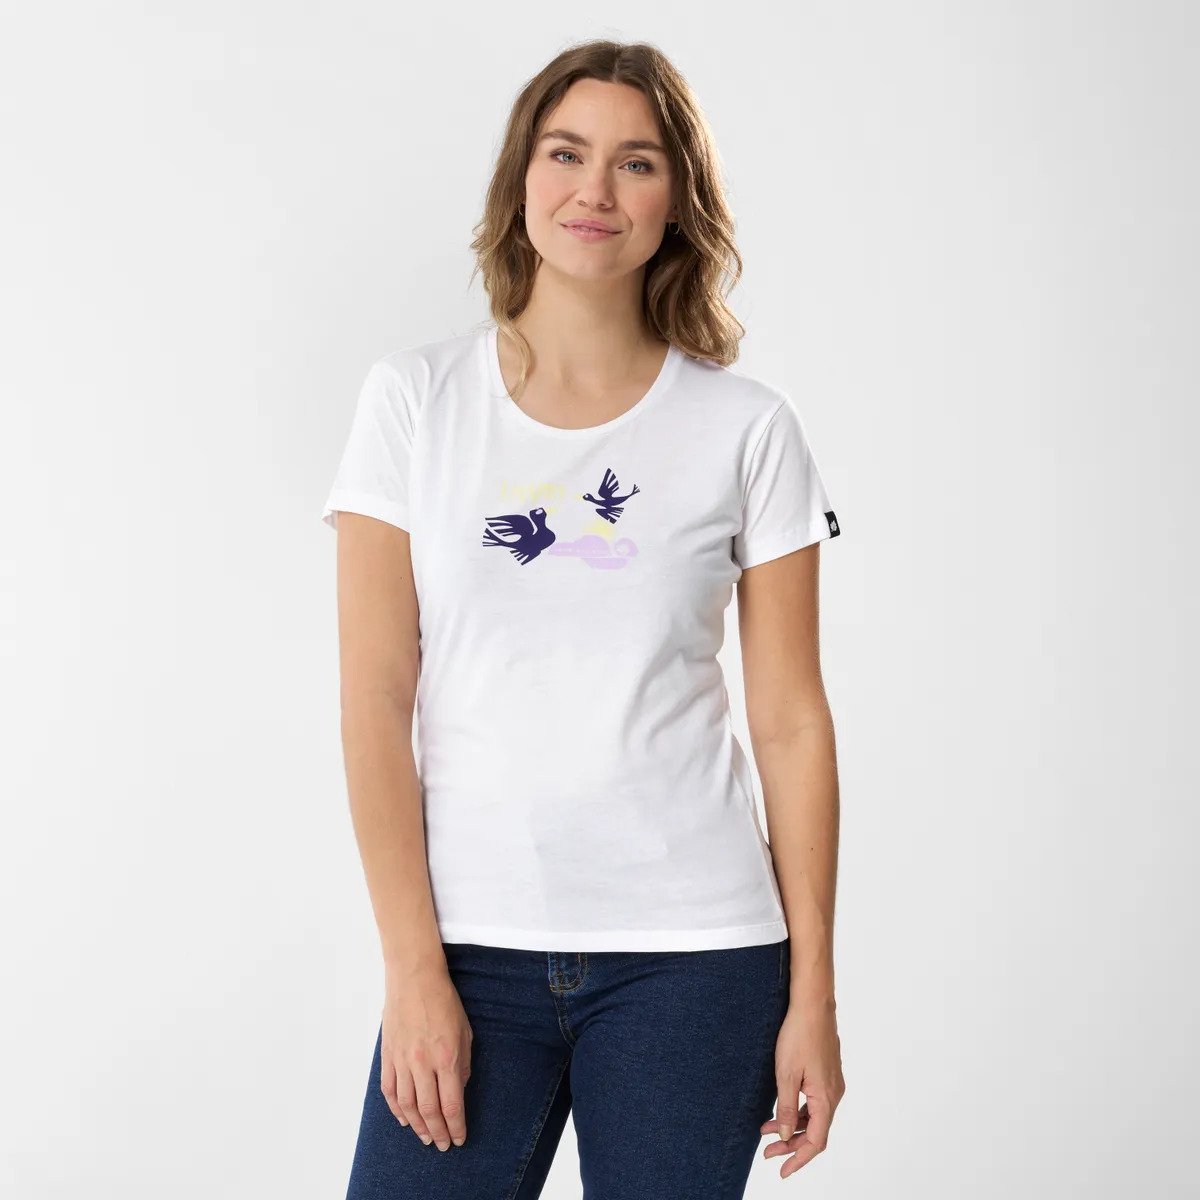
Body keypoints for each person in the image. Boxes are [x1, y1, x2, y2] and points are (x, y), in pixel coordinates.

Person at [320, 37, 847, 1198]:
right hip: (469, 948)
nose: (595, 190)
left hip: (697, 959)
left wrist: (813, 992)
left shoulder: (749, 429)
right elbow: (374, 699)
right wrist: (413, 969)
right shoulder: (414, 402)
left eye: (636, 162)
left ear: (677, 201)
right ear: (522, 176)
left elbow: (791, 720)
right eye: (566, 153)